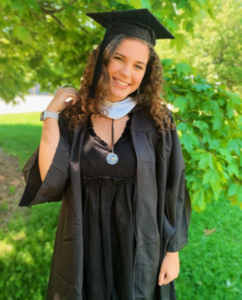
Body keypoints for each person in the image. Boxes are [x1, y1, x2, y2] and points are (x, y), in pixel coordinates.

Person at [19, 8, 191, 300]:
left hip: (141, 249)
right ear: (103, 59)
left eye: (138, 66)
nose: (127, 73)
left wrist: (172, 251)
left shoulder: (158, 121)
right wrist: (51, 114)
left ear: (147, 73)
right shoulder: (75, 118)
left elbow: (175, 189)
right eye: (120, 59)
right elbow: (52, 178)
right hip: (85, 247)